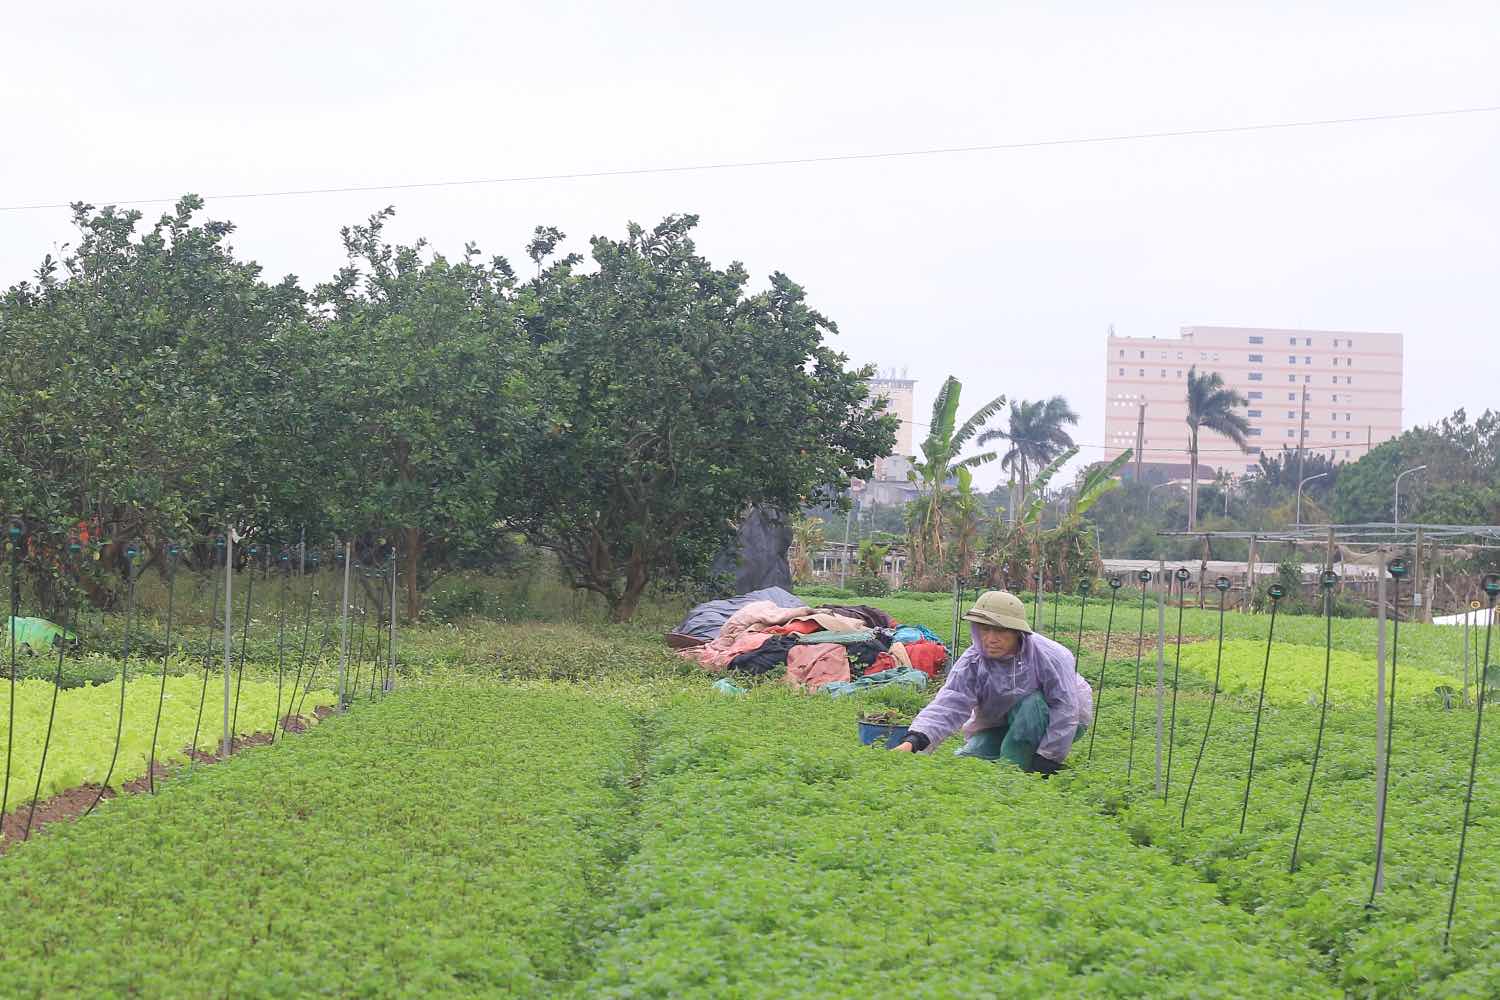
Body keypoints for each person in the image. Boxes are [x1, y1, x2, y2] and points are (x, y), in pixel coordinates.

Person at [893, 590, 1091, 775]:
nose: (991, 639)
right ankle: (1014, 758)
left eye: (1000, 631)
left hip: (1059, 720)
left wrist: (1047, 759)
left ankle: (1014, 776)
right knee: (967, 763)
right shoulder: (973, 661)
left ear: (1017, 632)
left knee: (1031, 708)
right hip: (1001, 721)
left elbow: (1065, 708)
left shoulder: (1050, 655)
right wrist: (915, 739)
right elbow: (951, 701)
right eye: (985, 630)